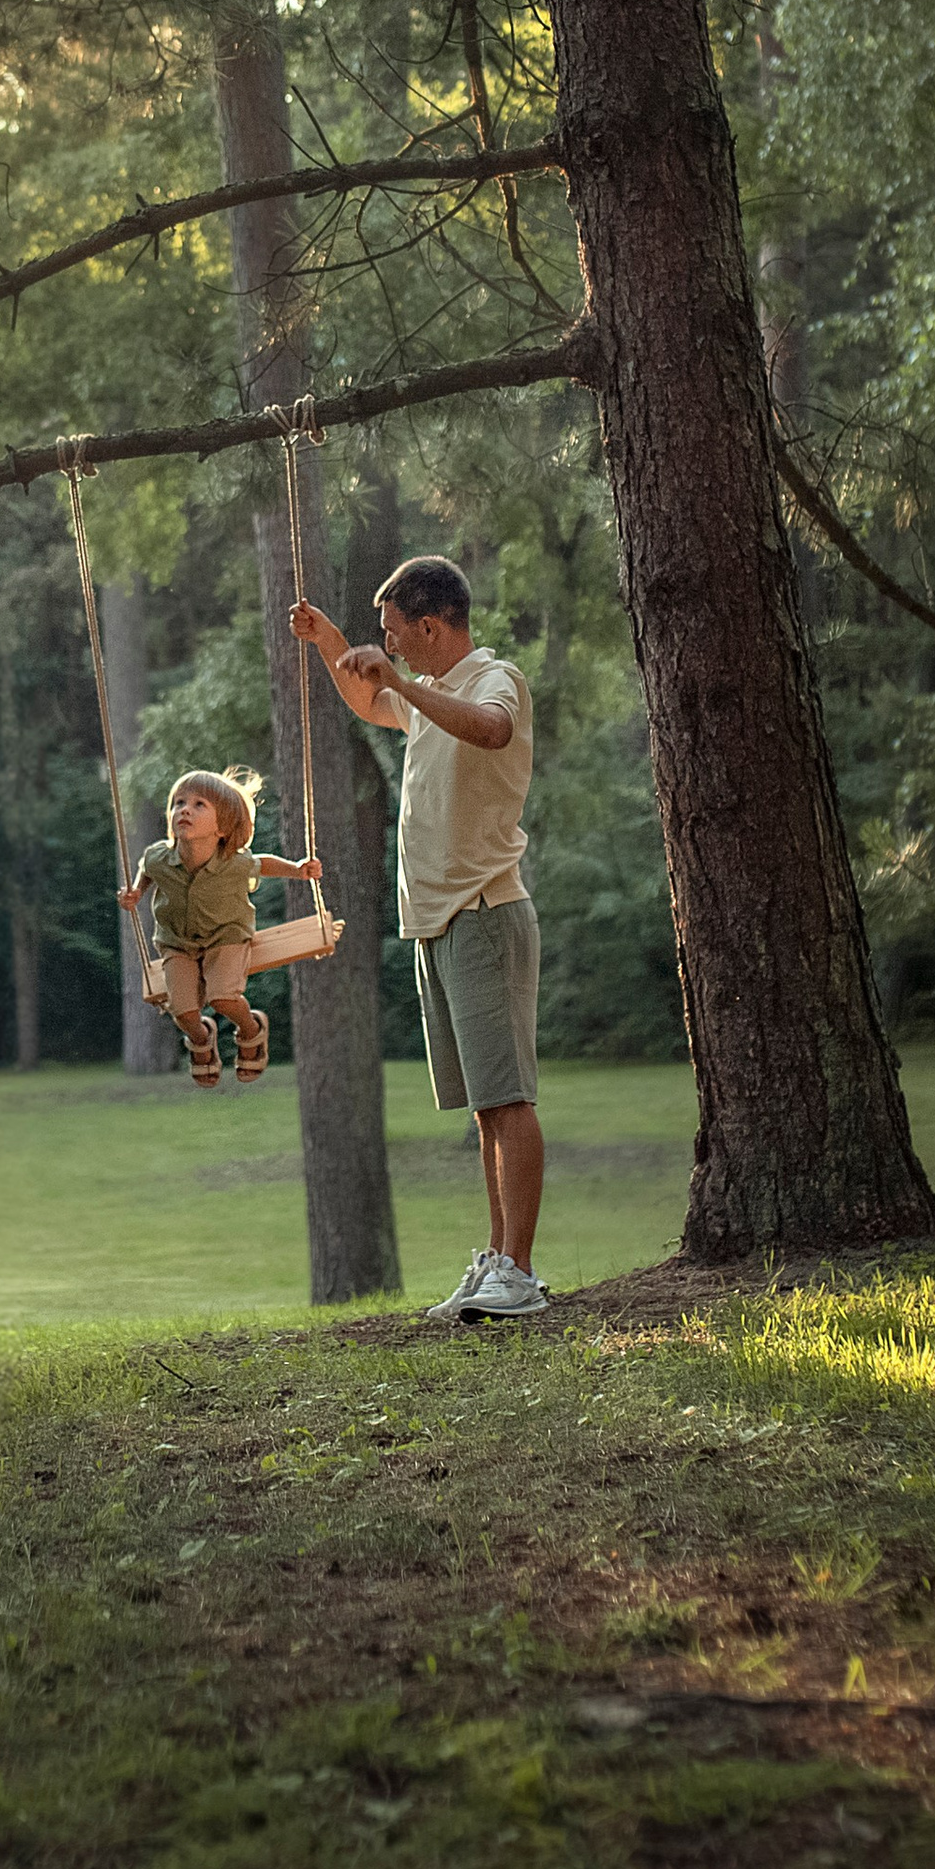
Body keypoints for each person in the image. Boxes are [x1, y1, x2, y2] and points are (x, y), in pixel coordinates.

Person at [291, 556, 548, 1320]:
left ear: (430, 626)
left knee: (508, 1098)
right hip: (439, 925)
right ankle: (497, 1261)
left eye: (394, 632)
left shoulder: (493, 679)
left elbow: (494, 731)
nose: (390, 646)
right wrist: (329, 641)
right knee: (484, 1107)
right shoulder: (428, 695)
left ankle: (519, 1271)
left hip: (485, 914)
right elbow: (372, 702)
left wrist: (401, 685)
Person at [120, 768, 325, 1089]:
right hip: (177, 942)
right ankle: (201, 1039)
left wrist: (298, 870)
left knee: (223, 999)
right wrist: (136, 892)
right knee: (183, 1012)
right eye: (179, 803)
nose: (184, 810)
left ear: (223, 828)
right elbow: (147, 869)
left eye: (199, 804)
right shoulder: (158, 857)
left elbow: (263, 863)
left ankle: (251, 1029)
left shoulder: (234, 862)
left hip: (226, 936)